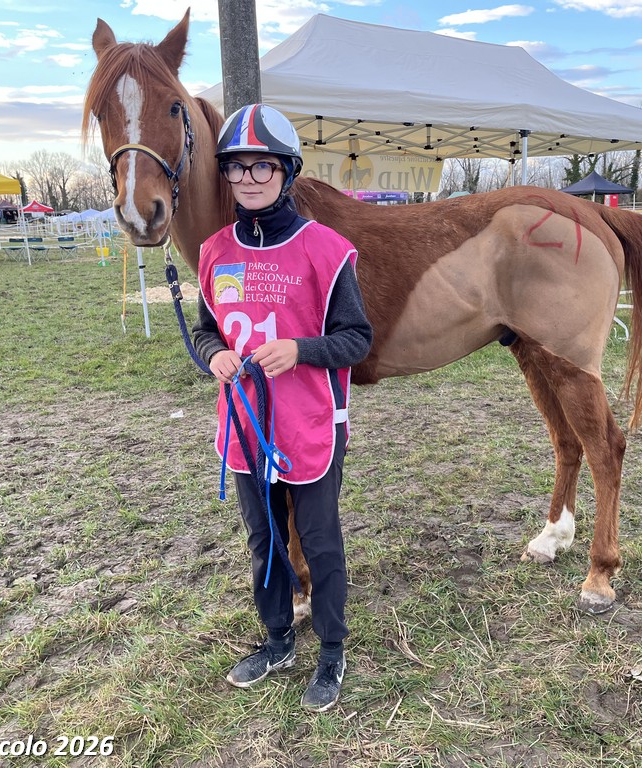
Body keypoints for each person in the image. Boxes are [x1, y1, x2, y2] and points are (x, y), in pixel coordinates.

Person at [192, 103, 373, 712]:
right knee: (264, 538)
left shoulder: (327, 249)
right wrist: (215, 353)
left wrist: (300, 349)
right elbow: (206, 330)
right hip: (244, 423)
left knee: (318, 540)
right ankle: (277, 640)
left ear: (286, 171)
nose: (248, 178)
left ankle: (331, 650)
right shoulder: (214, 252)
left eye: (262, 166)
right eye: (236, 167)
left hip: (311, 423)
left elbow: (357, 339)